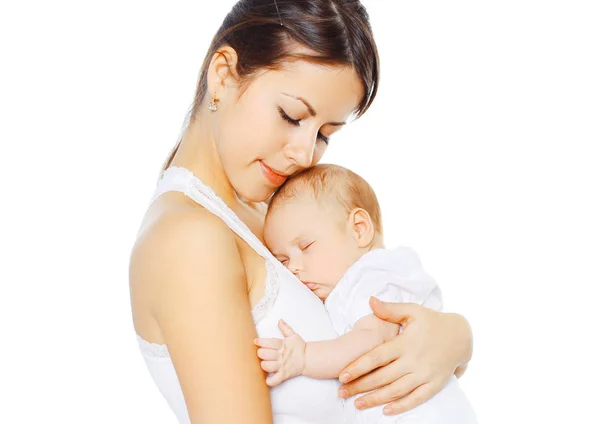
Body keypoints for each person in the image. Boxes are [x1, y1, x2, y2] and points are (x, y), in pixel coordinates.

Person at [129, 1, 473, 423]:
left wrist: (455, 339)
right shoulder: (189, 238)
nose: (304, 154)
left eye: (325, 135)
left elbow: (371, 307)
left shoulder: (271, 216)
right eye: (291, 116)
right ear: (222, 74)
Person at [255, 164, 477, 423]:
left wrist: (304, 357)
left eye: (306, 246)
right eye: (283, 261)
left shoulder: (372, 275)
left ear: (359, 229)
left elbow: (370, 341)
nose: (294, 267)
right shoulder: (350, 284)